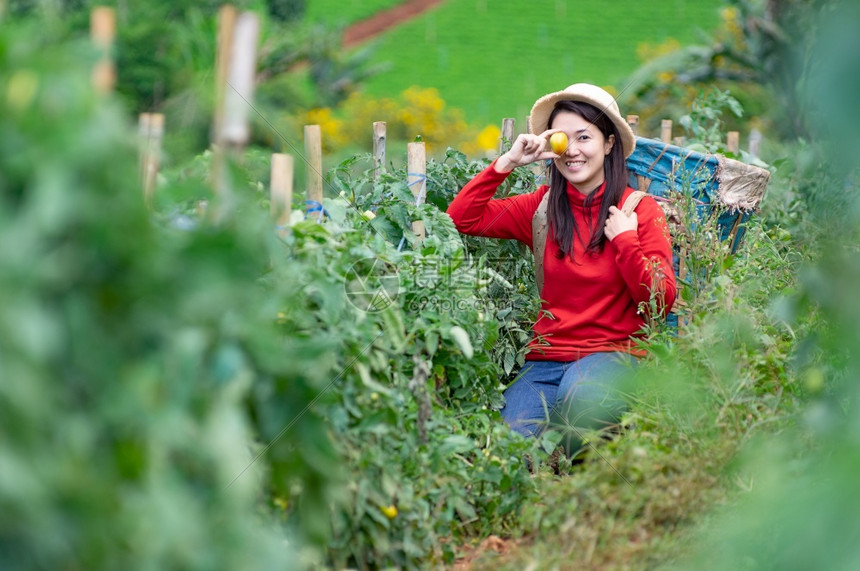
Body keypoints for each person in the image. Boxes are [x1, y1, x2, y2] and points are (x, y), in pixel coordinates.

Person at [446, 83, 676, 454]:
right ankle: (539, 496)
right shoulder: (541, 209)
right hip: (548, 360)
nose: (571, 150)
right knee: (509, 447)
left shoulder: (638, 211)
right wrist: (507, 162)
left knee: (581, 410)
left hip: (615, 354)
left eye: (584, 137)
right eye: (560, 138)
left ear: (609, 144)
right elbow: (461, 218)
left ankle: (582, 493)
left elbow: (661, 300)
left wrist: (625, 243)